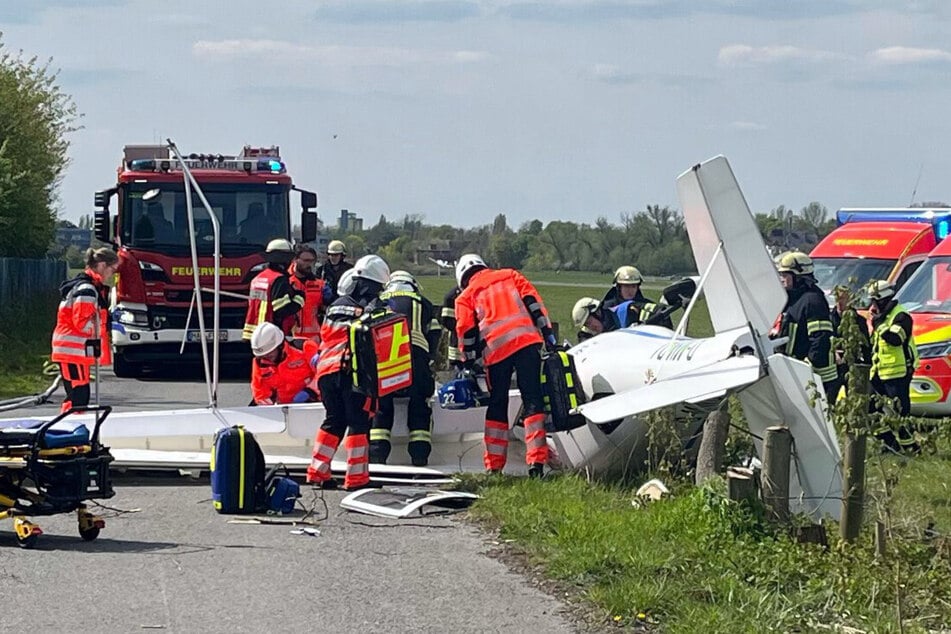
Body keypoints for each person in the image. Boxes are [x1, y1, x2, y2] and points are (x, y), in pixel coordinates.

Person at [454, 254, 554, 477]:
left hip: (497, 352)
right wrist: (548, 334)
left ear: (461, 279)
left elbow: (466, 332)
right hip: (528, 343)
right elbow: (535, 304)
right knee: (532, 399)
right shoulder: (510, 275)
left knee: (497, 403)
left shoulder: (465, 296)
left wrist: (468, 362)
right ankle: (536, 463)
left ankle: (494, 466)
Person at [307, 254, 390, 490]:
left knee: (334, 420)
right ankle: (356, 478)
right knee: (358, 422)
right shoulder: (371, 308)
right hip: (350, 373)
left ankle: (317, 472)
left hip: (325, 372)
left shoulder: (335, 305)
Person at [370, 271, 442, 466]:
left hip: (385, 358)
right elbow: (435, 332)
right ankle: (420, 459)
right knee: (419, 406)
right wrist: (429, 357)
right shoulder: (423, 302)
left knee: (382, 407)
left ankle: (377, 457)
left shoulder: (378, 301)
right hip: (417, 356)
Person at [51, 247, 119, 412]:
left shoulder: (87, 287)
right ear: (102, 265)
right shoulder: (87, 290)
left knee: (79, 395)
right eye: (113, 269)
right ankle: (71, 428)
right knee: (78, 396)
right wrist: (103, 325)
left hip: (75, 351)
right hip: (73, 351)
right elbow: (82, 323)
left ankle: (73, 426)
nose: (112, 275)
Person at [774, 251, 840, 404]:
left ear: (798, 276)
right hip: (797, 370)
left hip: (816, 376)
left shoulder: (812, 301)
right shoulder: (793, 299)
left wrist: (806, 367)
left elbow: (820, 338)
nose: (782, 279)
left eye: (785, 275)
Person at [867, 280, 920, 454]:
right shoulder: (882, 318)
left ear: (883, 300)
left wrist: (878, 325)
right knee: (870, 409)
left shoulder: (901, 316)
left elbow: (896, 339)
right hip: (879, 372)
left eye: (875, 301)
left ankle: (910, 448)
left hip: (898, 373)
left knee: (900, 413)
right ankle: (890, 444)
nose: (872, 306)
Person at [242, 239, 304, 340]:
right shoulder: (279, 279)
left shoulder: (258, 278)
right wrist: (299, 297)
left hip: (254, 333)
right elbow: (281, 309)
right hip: (271, 334)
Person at [249, 322, 319, 405]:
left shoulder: (304, 347)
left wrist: (310, 391)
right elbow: (260, 393)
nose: (266, 358)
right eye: (262, 356)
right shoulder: (259, 363)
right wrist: (268, 409)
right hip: (282, 408)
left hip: (313, 402)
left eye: (269, 354)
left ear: (280, 346)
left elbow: (323, 374)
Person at [601, 265, 671, 329]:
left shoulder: (649, 307)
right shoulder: (606, 308)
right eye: (626, 286)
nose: (630, 290)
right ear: (619, 287)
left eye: (633, 286)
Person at [830, 284, 871, 391]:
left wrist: (867, 365)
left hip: (853, 365)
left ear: (849, 299)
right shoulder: (829, 319)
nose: (840, 302)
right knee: (829, 398)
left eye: (843, 298)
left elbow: (866, 345)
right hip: (834, 367)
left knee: (854, 396)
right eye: (837, 298)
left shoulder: (858, 320)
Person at [288, 244, 333, 341]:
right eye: (306, 261)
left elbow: (328, 307)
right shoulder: (286, 281)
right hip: (290, 337)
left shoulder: (320, 285)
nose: (309, 264)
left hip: (314, 338)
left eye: (312, 261)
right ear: (295, 260)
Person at [440, 285, 463, 370]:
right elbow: (447, 321)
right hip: (458, 349)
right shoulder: (452, 296)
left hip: (459, 349)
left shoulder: (452, 295)